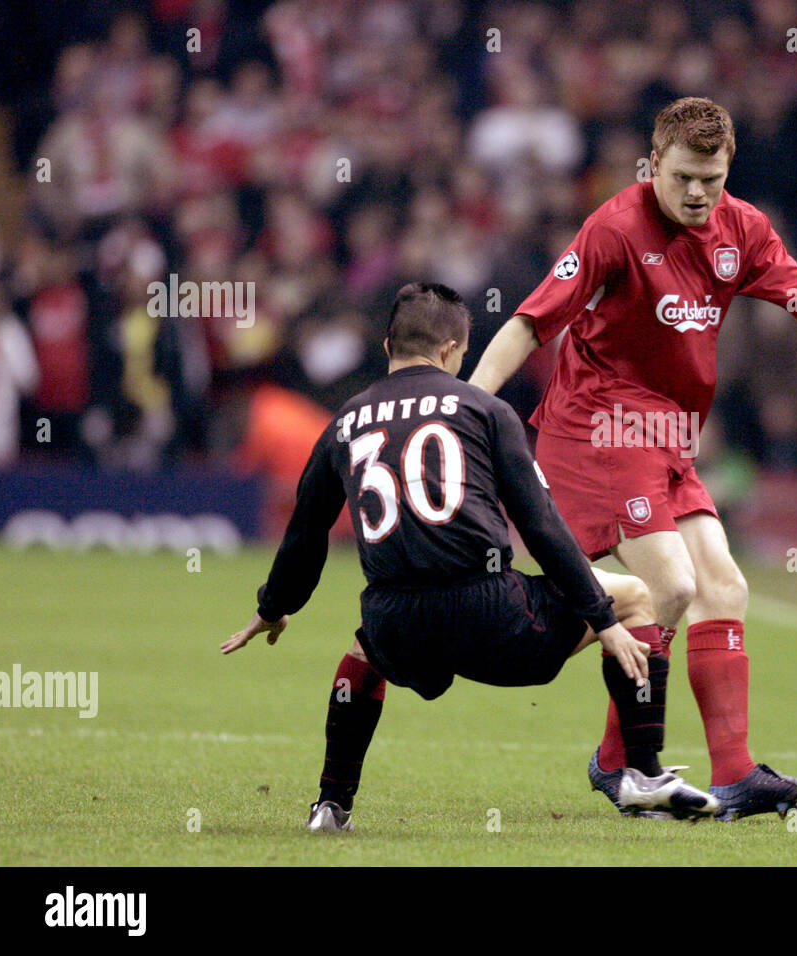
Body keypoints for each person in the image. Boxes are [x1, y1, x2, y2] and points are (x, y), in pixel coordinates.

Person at [468, 98, 797, 820]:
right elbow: (529, 321)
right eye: (682, 178)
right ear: (653, 163)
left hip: (669, 435)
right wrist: (470, 409)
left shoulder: (744, 228)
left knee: (724, 587)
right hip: (598, 426)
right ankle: (624, 761)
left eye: (711, 177)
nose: (698, 193)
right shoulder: (614, 225)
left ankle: (730, 775)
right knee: (669, 585)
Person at [221, 282, 718, 830]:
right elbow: (544, 529)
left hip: (396, 623)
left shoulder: (344, 421)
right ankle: (642, 774)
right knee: (638, 596)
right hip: (491, 617)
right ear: (453, 350)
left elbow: (305, 536)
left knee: (365, 648)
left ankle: (331, 806)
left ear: (388, 344)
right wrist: (602, 619)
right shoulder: (485, 409)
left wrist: (273, 606)